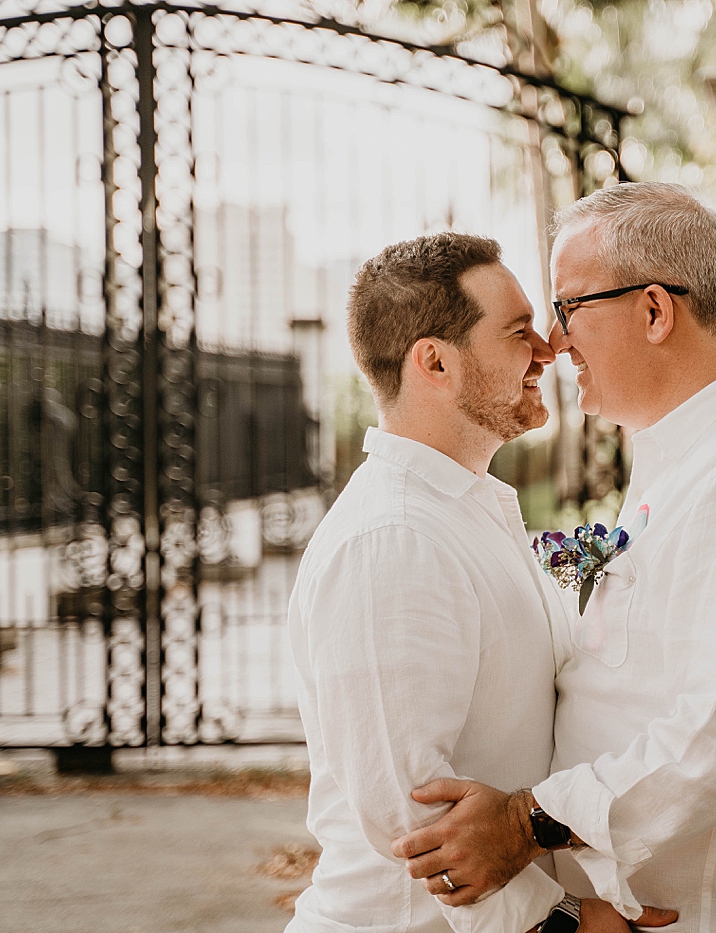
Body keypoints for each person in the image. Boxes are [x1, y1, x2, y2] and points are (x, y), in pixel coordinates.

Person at [391, 183, 716, 932]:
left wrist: (527, 823)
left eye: (569, 307)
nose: (553, 341)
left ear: (653, 310)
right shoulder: (697, 452)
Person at [285, 232, 677, 933]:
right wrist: (563, 921)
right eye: (517, 330)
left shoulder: (462, 509)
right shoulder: (393, 541)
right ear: (435, 361)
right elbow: (412, 811)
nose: (549, 347)